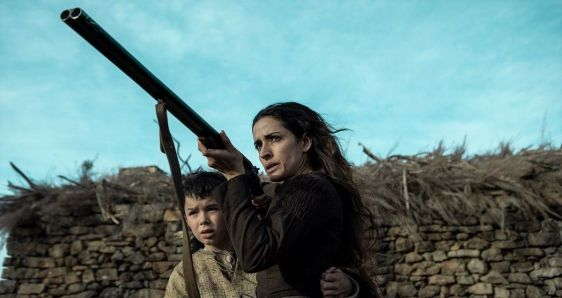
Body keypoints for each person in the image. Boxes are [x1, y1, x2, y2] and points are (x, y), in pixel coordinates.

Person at [198, 102, 377, 297]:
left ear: (305, 142)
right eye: (258, 144)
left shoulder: (311, 187)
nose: (264, 153)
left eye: (274, 138)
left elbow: (254, 255)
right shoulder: (292, 192)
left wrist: (234, 174)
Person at [164, 171, 358, 298]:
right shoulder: (185, 274)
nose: (203, 220)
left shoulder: (268, 251)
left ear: (232, 208)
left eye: (212, 208)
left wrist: (349, 287)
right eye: (193, 213)